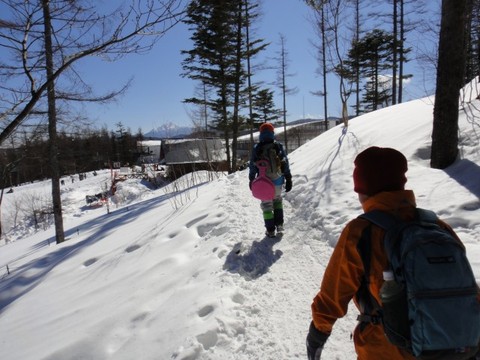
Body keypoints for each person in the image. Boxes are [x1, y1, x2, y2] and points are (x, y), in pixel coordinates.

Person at [306, 146, 479, 360]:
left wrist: (317, 333)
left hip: (386, 350)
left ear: (363, 188)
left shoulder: (361, 232)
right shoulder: (438, 227)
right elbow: (467, 288)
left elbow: (333, 294)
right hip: (452, 348)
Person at [249, 122, 292, 238]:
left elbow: (252, 166)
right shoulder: (278, 146)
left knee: (267, 205)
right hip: (278, 179)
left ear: (261, 133)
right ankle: (280, 226)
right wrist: (288, 178)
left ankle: (270, 230)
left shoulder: (257, 148)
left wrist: (251, 179)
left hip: (264, 181)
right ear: (272, 132)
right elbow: (285, 163)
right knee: (277, 201)